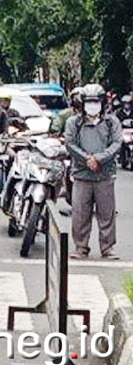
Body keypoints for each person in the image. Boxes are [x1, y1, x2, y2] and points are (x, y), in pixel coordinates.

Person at [65, 84, 123, 260]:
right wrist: (87, 159)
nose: (92, 105)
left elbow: (116, 144)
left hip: (104, 175)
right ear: (82, 104)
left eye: (96, 101)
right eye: (89, 102)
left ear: (102, 102)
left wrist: (99, 158)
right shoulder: (73, 122)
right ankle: (81, 247)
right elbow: (70, 143)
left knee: (106, 214)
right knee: (80, 213)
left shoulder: (112, 122)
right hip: (82, 175)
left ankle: (107, 248)